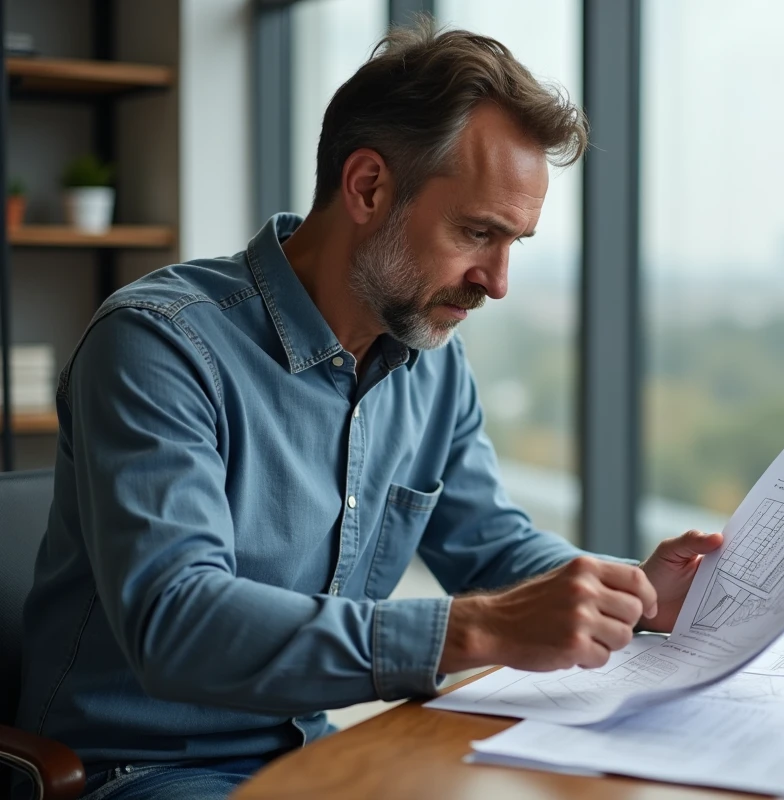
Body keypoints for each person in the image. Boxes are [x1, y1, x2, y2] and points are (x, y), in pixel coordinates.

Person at [13, 19, 722, 800]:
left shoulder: (432, 367)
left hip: (316, 752)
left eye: (515, 242)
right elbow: (178, 622)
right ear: (368, 187)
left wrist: (635, 595)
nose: (497, 281)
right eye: (478, 232)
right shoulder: (159, 345)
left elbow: (492, 550)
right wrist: (477, 630)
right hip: (138, 771)